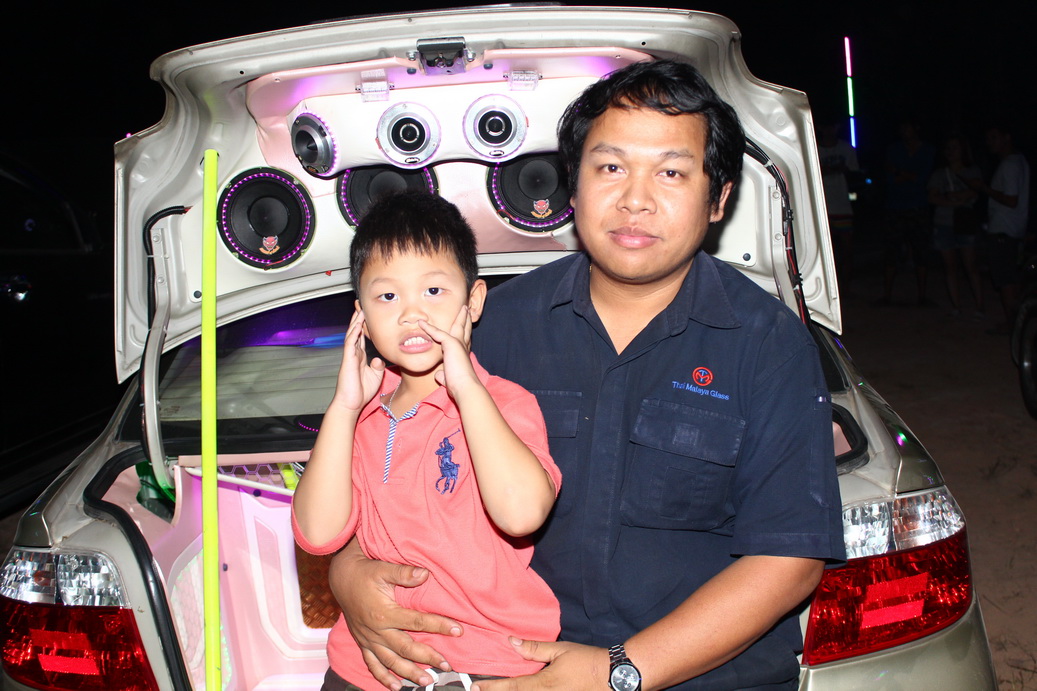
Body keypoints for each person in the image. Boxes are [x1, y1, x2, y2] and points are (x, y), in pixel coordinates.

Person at [328, 60, 845, 691]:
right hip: (501, 663)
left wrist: (615, 671)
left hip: (694, 675)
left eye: (671, 172)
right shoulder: (486, 325)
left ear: (719, 199)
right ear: (572, 189)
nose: (635, 199)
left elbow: (789, 559)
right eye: (610, 167)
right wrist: (347, 572)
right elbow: (380, 461)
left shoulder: (770, 345)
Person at [292, 191, 563, 690]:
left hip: (487, 666)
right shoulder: (360, 417)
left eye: (433, 290)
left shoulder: (505, 404)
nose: (411, 314)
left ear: (473, 301)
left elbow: (521, 514)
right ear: (361, 316)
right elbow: (317, 534)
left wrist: (466, 388)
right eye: (387, 297)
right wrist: (345, 408)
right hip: (365, 667)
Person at [966, 124, 1030, 333]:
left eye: (994, 137)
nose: (990, 142)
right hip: (1013, 229)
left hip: (1004, 230)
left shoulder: (1010, 164)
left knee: (1005, 280)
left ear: (1007, 137)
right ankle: (1017, 324)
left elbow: (1011, 199)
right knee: (1011, 278)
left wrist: (983, 188)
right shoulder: (1019, 161)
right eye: (988, 138)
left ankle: (1013, 326)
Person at [879, 118, 936, 305]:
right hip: (895, 207)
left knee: (921, 251)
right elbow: (891, 179)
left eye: (907, 127)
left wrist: (899, 172)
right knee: (891, 252)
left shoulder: (927, 150)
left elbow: (923, 178)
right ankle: (887, 296)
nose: (904, 131)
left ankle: (922, 296)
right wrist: (907, 175)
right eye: (901, 127)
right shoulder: (894, 149)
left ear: (916, 128)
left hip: (918, 206)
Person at [927, 135, 984, 316]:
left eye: (955, 147)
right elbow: (932, 197)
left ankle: (979, 306)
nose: (950, 151)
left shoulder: (972, 171)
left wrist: (955, 197)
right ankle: (956, 306)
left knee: (971, 266)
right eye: (948, 148)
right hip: (943, 223)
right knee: (950, 267)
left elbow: (975, 191)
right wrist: (956, 201)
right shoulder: (939, 174)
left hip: (965, 223)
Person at [817, 119, 860, 286]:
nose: (829, 130)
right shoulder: (814, 148)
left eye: (832, 126)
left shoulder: (846, 149)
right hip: (821, 207)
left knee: (847, 249)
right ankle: (829, 285)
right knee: (826, 251)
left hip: (842, 205)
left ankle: (846, 285)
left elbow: (855, 174)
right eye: (826, 126)